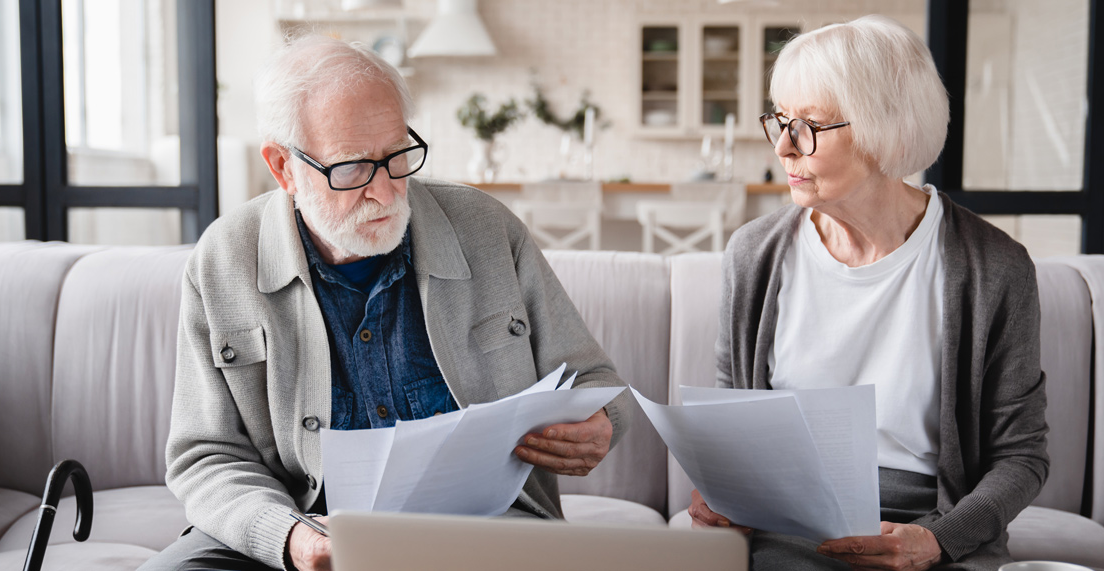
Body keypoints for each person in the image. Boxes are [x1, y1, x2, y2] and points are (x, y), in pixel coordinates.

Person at [141, 35, 632, 571]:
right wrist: (289, 538)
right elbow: (205, 455)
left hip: (482, 531)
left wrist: (600, 423)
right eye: (351, 168)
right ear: (283, 167)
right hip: (299, 526)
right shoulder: (223, 260)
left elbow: (596, 385)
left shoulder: (489, 230)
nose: (386, 190)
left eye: (397, 155)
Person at [688, 15, 1049, 571]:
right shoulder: (754, 253)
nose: (784, 147)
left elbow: (1020, 456)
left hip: (931, 529)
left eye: (808, 124)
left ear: (886, 129)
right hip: (787, 526)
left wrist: (938, 540)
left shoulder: (995, 267)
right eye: (780, 120)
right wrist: (723, 489)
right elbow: (732, 424)